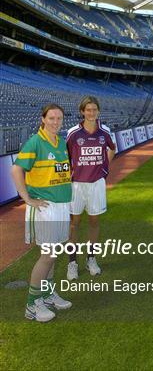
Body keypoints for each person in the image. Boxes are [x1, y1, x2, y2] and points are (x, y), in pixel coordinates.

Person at [11, 104, 72, 322]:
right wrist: (27, 198)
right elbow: (16, 169)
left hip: (62, 206)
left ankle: (47, 295)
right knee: (48, 255)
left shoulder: (61, 143)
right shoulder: (35, 142)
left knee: (54, 255)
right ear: (43, 119)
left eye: (59, 118)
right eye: (52, 118)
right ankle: (31, 305)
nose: (56, 122)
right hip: (46, 208)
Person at [66, 96, 115, 280]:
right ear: (82, 111)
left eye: (94, 109)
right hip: (77, 184)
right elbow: (66, 155)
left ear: (98, 111)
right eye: (88, 109)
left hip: (96, 184)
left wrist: (104, 168)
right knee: (74, 223)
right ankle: (72, 262)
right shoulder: (73, 133)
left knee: (94, 222)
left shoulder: (105, 131)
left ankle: (91, 258)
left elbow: (112, 148)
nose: (91, 113)